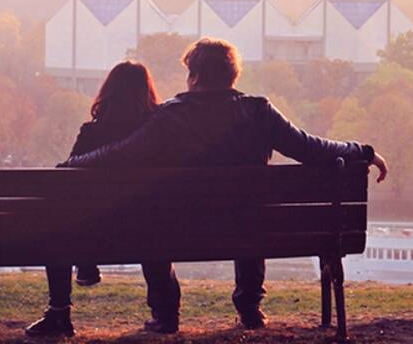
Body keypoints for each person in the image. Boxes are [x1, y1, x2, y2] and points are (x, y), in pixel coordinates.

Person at [63, 38, 389, 334]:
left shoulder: (169, 117)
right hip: (248, 229)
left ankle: (166, 314)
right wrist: (364, 152)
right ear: (232, 75)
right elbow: (312, 149)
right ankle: (250, 308)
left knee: (154, 220)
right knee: (249, 214)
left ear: (194, 75)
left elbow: (121, 155)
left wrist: (72, 165)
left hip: (179, 230)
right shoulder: (259, 112)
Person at [25, 61, 162, 338]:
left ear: (108, 91)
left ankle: (59, 313)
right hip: (149, 231)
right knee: (155, 228)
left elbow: (65, 177)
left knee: (57, 227)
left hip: (93, 234)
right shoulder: (157, 134)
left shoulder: (92, 133)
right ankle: (165, 314)